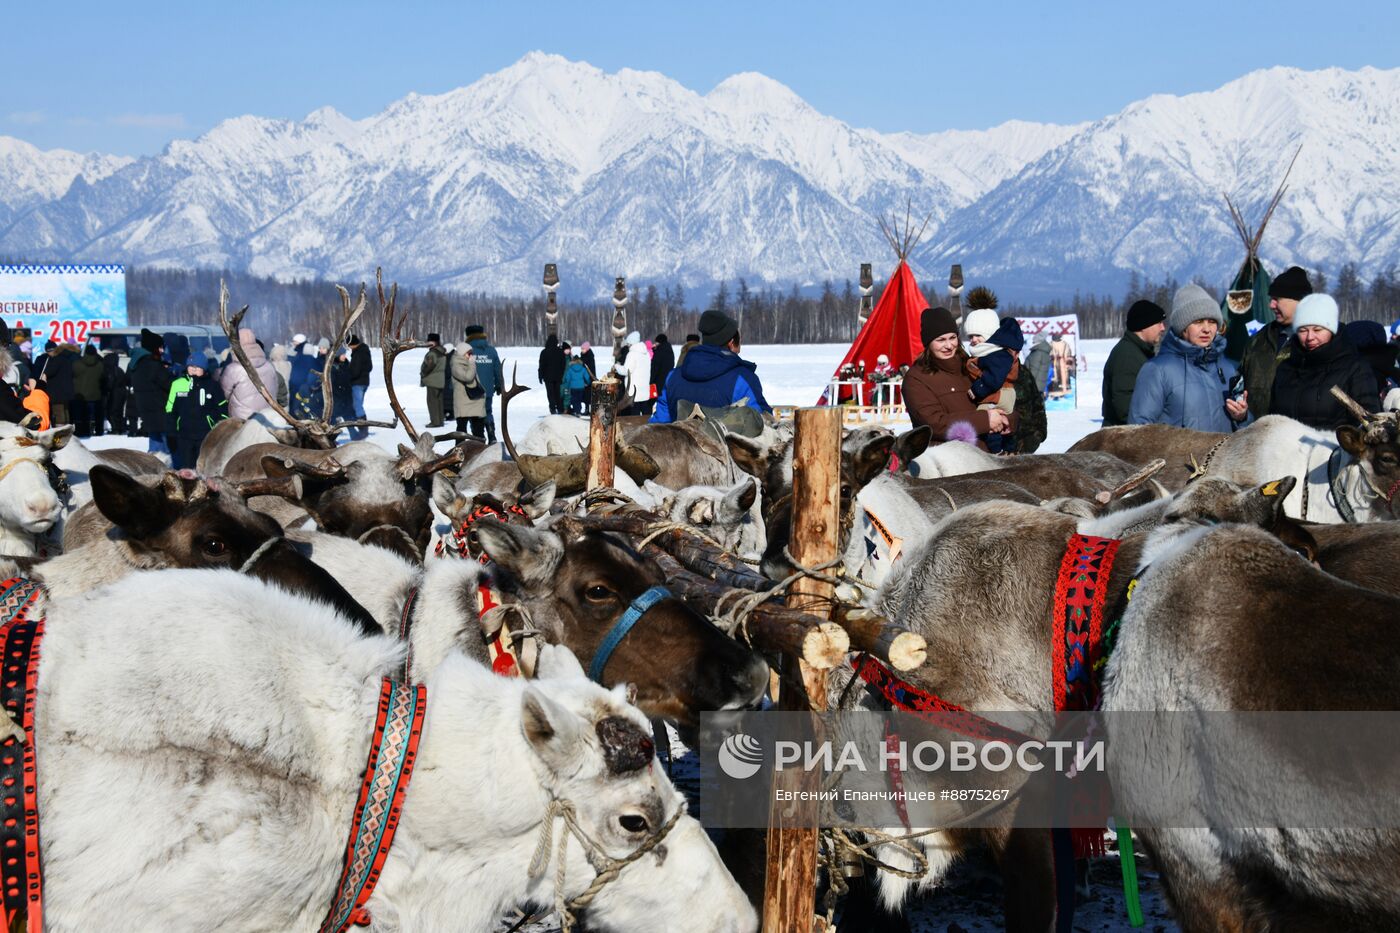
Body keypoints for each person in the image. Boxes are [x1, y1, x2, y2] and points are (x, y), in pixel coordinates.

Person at [1128, 284, 1249, 432]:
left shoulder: (1227, 368)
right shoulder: (1157, 370)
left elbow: (1246, 432)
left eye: (1212, 321)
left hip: (1223, 454)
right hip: (1176, 455)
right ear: (1182, 327)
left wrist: (1241, 417)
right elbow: (1138, 432)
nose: (1206, 329)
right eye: (1198, 322)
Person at [902, 306, 1014, 449]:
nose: (949, 345)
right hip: (948, 462)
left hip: (988, 457)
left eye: (953, 338)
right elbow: (934, 423)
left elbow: (1004, 396)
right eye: (941, 340)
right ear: (928, 343)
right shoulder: (916, 379)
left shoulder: (972, 366)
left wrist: (1008, 420)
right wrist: (985, 421)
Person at [1268, 294, 1378, 429]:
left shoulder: (1356, 368)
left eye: (1317, 330)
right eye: (1302, 330)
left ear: (1331, 329)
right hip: (1286, 449)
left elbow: (1370, 424)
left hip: (1334, 449)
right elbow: (1272, 418)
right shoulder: (1286, 368)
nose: (1310, 337)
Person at [651, 310, 771, 423]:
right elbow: (761, 422)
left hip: (680, 444)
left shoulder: (673, 376)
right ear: (731, 342)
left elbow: (659, 424)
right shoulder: (742, 379)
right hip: (723, 445)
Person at [1225, 265, 1312, 419]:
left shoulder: (1317, 344)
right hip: (1256, 435)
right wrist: (1240, 411)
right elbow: (1239, 384)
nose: (1271, 305)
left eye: (1277, 299)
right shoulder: (1257, 341)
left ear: (1298, 300)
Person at [962, 310, 1025, 454]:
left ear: (990, 335)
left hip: (1001, 393)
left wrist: (977, 390)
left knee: (984, 417)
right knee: (1002, 421)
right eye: (971, 336)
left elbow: (994, 378)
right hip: (1003, 393)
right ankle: (1008, 448)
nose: (974, 340)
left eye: (978, 335)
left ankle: (995, 451)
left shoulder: (997, 354)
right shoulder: (993, 351)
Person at [1101, 300, 1167, 426]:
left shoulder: (1139, 352)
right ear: (1144, 325)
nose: (1163, 328)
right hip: (1123, 438)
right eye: (1159, 323)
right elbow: (1125, 406)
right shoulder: (1127, 356)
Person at [164, 357, 228, 469]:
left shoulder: (212, 385)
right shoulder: (178, 384)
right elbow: (170, 409)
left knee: (204, 467)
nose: (193, 369)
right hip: (184, 434)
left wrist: (218, 428)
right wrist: (172, 431)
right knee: (186, 467)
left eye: (197, 367)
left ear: (204, 369)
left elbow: (222, 408)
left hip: (206, 434)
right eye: (191, 366)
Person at [218, 327, 278, 421]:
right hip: (268, 418)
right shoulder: (269, 366)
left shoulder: (233, 369)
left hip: (242, 420)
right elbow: (275, 390)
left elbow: (223, 394)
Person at [129, 328, 173, 453]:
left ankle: (153, 467)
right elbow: (169, 384)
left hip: (147, 410)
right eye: (159, 347)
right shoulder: (153, 365)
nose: (162, 350)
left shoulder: (136, 363)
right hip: (160, 409)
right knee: (167, 448)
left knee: (154, 444)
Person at [464, 325, 503, 443]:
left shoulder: (466, 351)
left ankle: (478, 439)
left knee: (474, 414)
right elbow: (497, 369)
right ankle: (492, 435)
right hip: (488, 389)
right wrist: (499, 384)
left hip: (472, 389)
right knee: (488, 411)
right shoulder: (491, 350)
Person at [1010, 357, 1048, 453]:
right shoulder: (991, 373)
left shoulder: (1024, 373)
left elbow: (1037, 403)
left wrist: (1039, 433)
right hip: (997, 445)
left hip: (1024, 442)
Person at [450, 343, 486, 439]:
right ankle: (459, 449)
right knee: (461, 430)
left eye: (471, 353)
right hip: (463, 401)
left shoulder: (468, 363)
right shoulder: (456, 365)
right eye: (469, 353)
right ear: (462, 353)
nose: (471, 356)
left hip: (475, 401)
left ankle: (480, 448)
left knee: (478, 429)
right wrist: (472, 364)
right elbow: (468, 377)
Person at [40, 341, 78, 426]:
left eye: (49, 351)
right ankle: (68, 430)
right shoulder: (67, 359)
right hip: (67, 390)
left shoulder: (55, 360)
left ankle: (61, 433)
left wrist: (44, 374)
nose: (49, 354)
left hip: (57, 392)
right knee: (66, 410)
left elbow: (49, 372)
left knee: (58, 412)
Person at [72, 344, 106, 437]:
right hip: (96, 395)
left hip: (80, 395)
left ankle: (83, 431)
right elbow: (103, 378)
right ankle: (99, 431)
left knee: (83, 415)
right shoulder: (100, 365)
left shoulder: (77, 364)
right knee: (98, 415)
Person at [616, 331, 651, 416]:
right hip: (644, 389)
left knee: (635, 415)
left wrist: (617, 366)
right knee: (646, 413)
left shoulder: (632, 354)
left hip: (634, 390)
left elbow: (626, 371)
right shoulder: (646, 353)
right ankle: (650, 427)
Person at [346, 333, 373, 440]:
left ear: (352, 344)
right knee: (358, 405)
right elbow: (369, 367)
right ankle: (362, 428)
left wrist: (349, 377)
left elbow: (355, 371)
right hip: (364, 381)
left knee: (357, 406)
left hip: (357, 382)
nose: (348, 348)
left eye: (349, 345)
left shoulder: (358, 353)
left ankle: (363, 430)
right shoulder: (365, 351)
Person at [420, 333, 448, 427]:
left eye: (429, 341)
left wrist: (423, 372)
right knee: (439, 402)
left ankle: (435, 422)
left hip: (432, 381)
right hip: (440, 380)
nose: (427, 343)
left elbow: (430, 365)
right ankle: (440, 421)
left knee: (432, 402)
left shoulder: (432, 353)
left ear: (434, 342)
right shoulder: (442, 352)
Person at [101, 348, 129, 435]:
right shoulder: (119, 370)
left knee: (112, 412)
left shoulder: (109, 370)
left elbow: (110, 383)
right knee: (119, 411)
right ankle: (120, 427)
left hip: (114, 393)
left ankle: (115, 428)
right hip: (121, 393)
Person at [289, 338, 318, 419]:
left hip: (299, 387)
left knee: (297, 407)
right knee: (308, 407)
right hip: (310, 389)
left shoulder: (299, 359)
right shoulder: (315, 361)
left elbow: (295, 374)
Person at [538, 335, 566, 415]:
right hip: (558, 377)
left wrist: (540, 376)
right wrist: (561, 374)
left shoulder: (544, 352)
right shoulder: (560, 352)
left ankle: (552, 408)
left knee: (550, 394)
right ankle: (560, 408)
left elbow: (541, 365)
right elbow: (563, 364)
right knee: (558, 393)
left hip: (548, 377)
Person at [649, 334, 675, 417]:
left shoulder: (659, 352)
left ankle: (649, 418)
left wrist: (650, 381)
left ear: (659, 342)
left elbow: (655, 367)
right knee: (664, 402)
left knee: (650, 402)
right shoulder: (669, 350)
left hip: (658, 381)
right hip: (667, 379)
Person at [564, 348, 590, 416]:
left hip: (573, 387)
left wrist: (567, 385)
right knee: (579, 399)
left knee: (574, 399)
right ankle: (578, 411)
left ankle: (576, 411)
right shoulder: (583, 368)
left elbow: (567, 378)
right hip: (581, 387)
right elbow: (587, 377)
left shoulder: (570, 369)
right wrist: (588, 382)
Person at [579, 341, 597, 414]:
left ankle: (589, 410)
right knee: (585, 396)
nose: (582, 350)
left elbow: (591, 369)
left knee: (589, 396)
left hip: (589, 378)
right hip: (584, 378)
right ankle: (587, 409)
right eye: (581, 349)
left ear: (587, 349)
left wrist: (588, 379)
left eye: (583, 349)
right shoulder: (583, 356)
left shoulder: (589, 356)